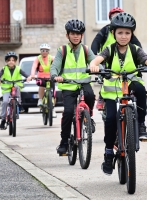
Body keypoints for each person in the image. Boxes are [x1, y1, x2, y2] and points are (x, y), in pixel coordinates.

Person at [89, 12, 147, 175]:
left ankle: (141, 125)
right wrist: (94, 65)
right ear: (113, 33)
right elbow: (97, 59)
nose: (123, 36)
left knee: (141, 90)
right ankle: (108, 152)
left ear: (131, 34)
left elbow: (146, 59)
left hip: (130, 82)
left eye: (127, 33)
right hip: (112, 89)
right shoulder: (109, 49)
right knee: (111, 120)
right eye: (120, 32)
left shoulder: (135, 49)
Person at [51, 19, 98, 154]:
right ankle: (64, 142)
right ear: (67, 35)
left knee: (90, 95)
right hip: (68, 86)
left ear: (82, 35)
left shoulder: (86, 50)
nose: (76, 36)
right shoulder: (62, 50)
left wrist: (99, 70)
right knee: (68, 113)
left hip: (84, 84)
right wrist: (55, 75)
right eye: (72, 33)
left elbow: (95, 62)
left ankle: (89, 118)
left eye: (78, 33)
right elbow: (55, 66)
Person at [91, 7, 142, 110]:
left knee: (135, 82)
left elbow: (138, 45)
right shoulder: (106, 30)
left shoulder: (128, 34)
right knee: (105, 77)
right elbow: (96, 42)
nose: (123, 36)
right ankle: (102, 97)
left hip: (123, 59)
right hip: (106, 58)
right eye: (114, 16)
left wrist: (141, 59)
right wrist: (94, 55)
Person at [0, 52, 32, 130]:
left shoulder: (18, 68)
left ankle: (19, 104)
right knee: (5, 102)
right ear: (6, 62)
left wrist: (28, 77)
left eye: (13, 60)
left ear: (15, 61)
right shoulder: (4, 69)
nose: (11, 61)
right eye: (9, 60)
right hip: (7, 88)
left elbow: (25, 74)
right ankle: (3, 119)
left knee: (17, 89)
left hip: (15, 86)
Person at [30, 43, 57, 118]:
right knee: (41, 85)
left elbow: (57, 66)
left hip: (51, 77)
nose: (44, 52)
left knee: (54, 93)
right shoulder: (38, 59)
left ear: (49, 51)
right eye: (42, 50)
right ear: (40, 51)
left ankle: (53, 109)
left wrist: (59, 75)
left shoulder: (51, 58)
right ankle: (40, 100)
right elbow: (34, 67)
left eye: (46, 50)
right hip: (41, 77)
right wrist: (32, 75)